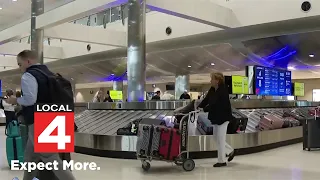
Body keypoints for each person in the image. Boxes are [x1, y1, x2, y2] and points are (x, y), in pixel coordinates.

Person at [5, 50, 76, 180]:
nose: (19, 68)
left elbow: (30, 99)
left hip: (41, 120)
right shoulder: (50, 74)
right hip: (58, 116)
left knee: (50, 157)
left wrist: (15, 100)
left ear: (28, 61)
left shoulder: (28, 75)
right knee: (30, 156)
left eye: (20, 64)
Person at [197, 72, 235, 167]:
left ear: (217, 81)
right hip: (215, 117)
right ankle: (230, 151)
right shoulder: (213, 89)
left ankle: (222, 161)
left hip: (223, 118)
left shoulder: (223, 91)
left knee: (221, 139)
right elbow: (207, 99)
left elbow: (216, 104)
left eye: (212, 79)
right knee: (215, 137)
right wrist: (199, 106)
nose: (210, 81)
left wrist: (205, 109)